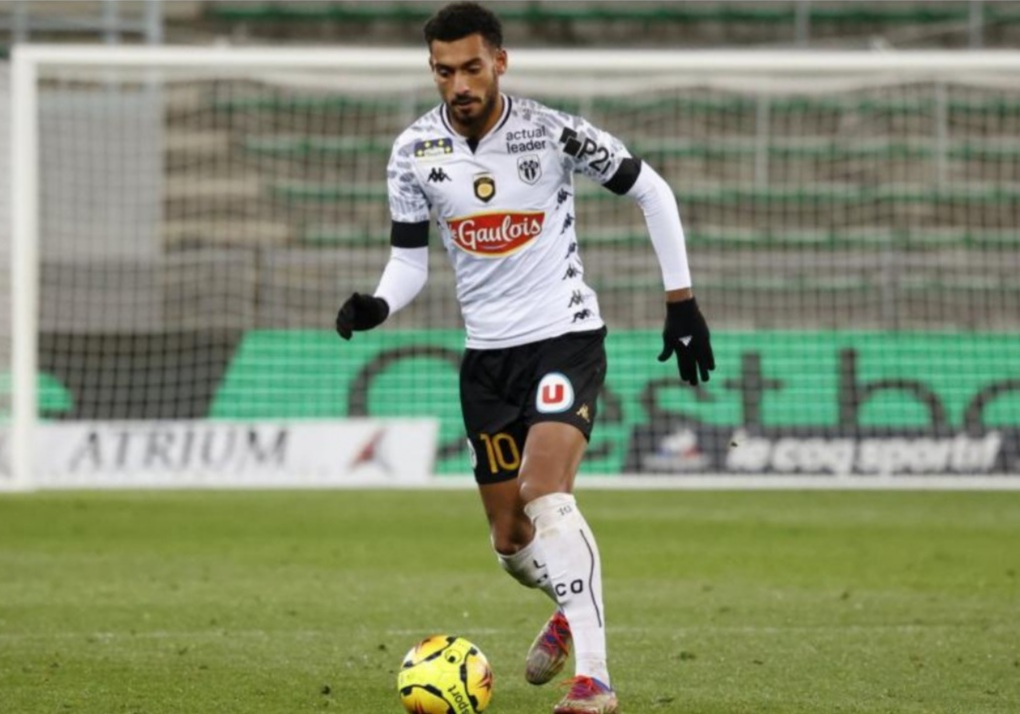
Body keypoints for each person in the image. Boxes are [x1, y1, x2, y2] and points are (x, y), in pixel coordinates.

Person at [336, 3, 714, 712]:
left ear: (499, 62)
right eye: (444, 71)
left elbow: (651, 190)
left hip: (564, 337)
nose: (459, 85)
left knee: (547, 494)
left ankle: (595, 681)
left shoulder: (551, 131)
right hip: (487, 361)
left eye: (472, 68)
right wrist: (380, 305)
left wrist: (681, 301)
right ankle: (571, 602)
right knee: (511, 542)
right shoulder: (414, 153)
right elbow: (408, 262)